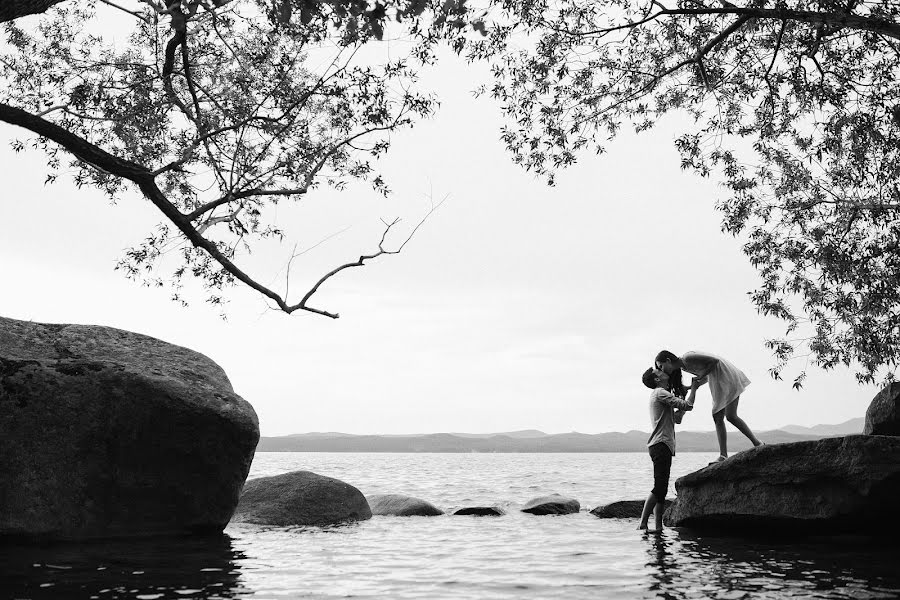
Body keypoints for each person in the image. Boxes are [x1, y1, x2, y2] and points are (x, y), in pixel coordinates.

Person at [655, 350, 762, 463]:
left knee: (724, 416)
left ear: (668, 360)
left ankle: (726, 454)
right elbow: (706, 376)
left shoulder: (687, 358)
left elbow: (714, 361)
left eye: (661, 366)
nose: (662, 370)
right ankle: (755, 444)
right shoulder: (684, 367)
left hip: (725, 377)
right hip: (720, 380)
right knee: (728, 416)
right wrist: (691, 387)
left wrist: (700, 376)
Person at [638, 365, 705, 532]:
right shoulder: (660, 393)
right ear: (657, 379)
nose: (662, 371)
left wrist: (689, 389)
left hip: (662, 446)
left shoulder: (659, 395)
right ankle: (642, 523)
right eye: (658, 371)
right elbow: (687, 405)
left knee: (661, 489)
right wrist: (694, 390)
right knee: (659, 488)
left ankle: (658, 527)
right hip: (660, 445)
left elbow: (677, 417)